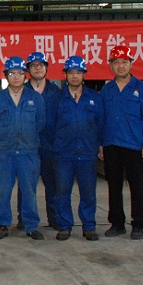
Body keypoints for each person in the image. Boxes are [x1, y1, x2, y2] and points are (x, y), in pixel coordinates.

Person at [0, 57, 46, 240]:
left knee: (29, 191)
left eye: (20, 73)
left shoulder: (35, 98)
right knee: (3, 191)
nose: (16, 77)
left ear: (25, 75)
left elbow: (40, 123)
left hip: (28, 153)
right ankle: (2, 224)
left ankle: (31, 225)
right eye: (12, 73)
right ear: (6, 76)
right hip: (5, 154)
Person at [100, 45, 143, 240]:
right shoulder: (107, 90)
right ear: (111, 65)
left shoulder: (141, 89)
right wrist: (101, 143)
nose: (120, 66)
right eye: (116, 62)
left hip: (134, 145)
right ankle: (117, 223)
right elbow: (101, 119)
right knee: (113, 186)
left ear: (131, 64)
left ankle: (138, 224)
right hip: (111, 144)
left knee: (137, 186)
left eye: (124, 62)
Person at [52, 56, 104, 241]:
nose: (74, 76)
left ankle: (89, 226)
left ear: (84, 75)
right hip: (63, 154)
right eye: (71, 72)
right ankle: (64, 226)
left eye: (78, 72)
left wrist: (99, 145)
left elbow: (101, 124)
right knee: (62, 192)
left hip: (87, 153)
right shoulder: (58, 98)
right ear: (65, 75)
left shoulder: (94, 98)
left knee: (88, 192)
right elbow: (50, 125)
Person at [23, 51, 61, 230]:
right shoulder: (22, 91)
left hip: (50, 145)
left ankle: (54, 218)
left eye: (41, 65)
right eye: (33, 65)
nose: (37, 68)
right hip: (27, 146)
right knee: (26, 185)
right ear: (28, 69)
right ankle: (24, 219)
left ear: (46, 68)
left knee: (52, 184)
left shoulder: (56, 92)